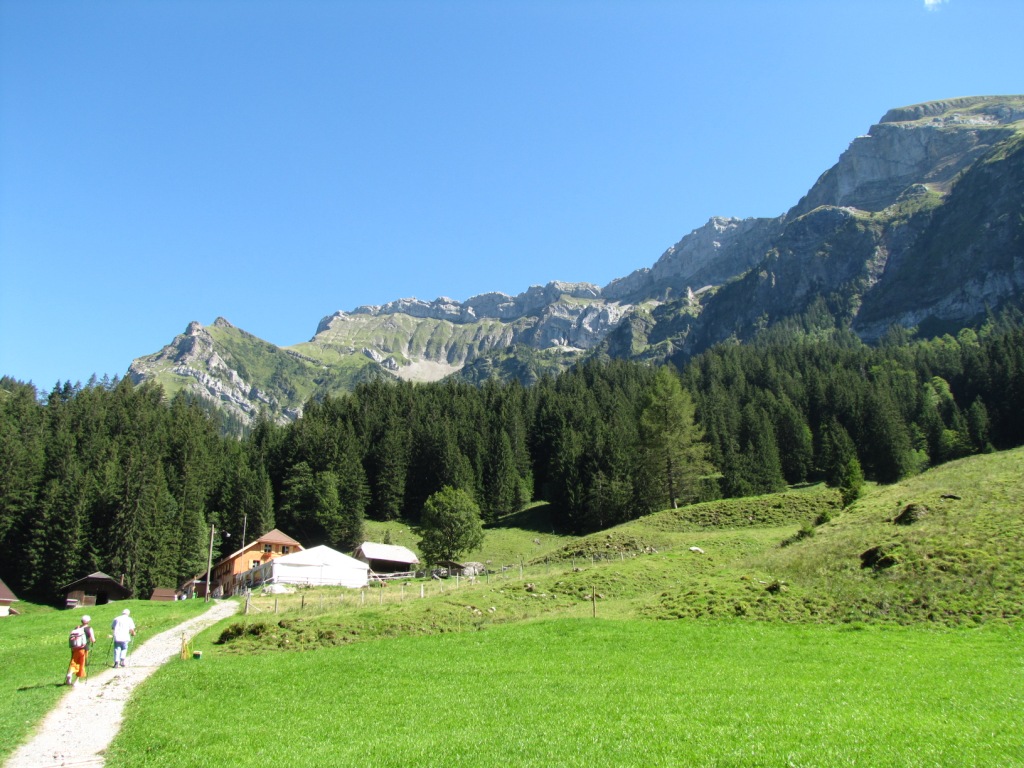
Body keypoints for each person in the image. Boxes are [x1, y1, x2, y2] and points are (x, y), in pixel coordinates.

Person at [65, 614, 96, 686]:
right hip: (84, 649)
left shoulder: (77, 627)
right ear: (88, 621)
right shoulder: (89, 628)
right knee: (81, 664)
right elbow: (93, 639)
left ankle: (70, 674)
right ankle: (76, 681)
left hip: (75, 648)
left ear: (81, 621)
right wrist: (94, 641)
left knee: (74, 662)